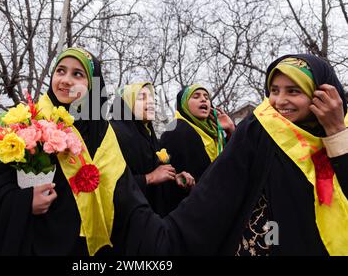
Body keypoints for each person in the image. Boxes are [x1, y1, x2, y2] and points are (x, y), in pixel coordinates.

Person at [121, 54, 348, 256]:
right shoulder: (260, 128)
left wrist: (336, 133)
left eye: (294, 90)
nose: (279, 101)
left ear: (321, 92)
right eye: (274, 91)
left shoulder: (339, 130)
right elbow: (218, 187)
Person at [0, 47, 164, 256]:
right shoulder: (27, 122)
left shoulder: (103, 133)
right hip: (38, 243)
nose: (66, 80)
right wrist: (23, 201)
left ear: (92, 84)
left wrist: (162, 236)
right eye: (60, 71)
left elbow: (125, 193)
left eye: (78, 74)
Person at [110, 82, 194, 216]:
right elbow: (109, 184)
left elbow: (156, 181)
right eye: (142, 97)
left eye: (152, 99)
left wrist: (174, 179)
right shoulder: (113, 134)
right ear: (126, 103)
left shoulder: (149, 136)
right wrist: (148, 178)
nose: (150, 103)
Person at [159, 84, 235, 214]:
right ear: (183, 105)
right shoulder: (176, 131)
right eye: (196, 96)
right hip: (190, 213)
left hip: (218, 208)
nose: (204, 99)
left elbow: (234, 166)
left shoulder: (216, 133)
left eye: (206, 97)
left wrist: (231, 130)